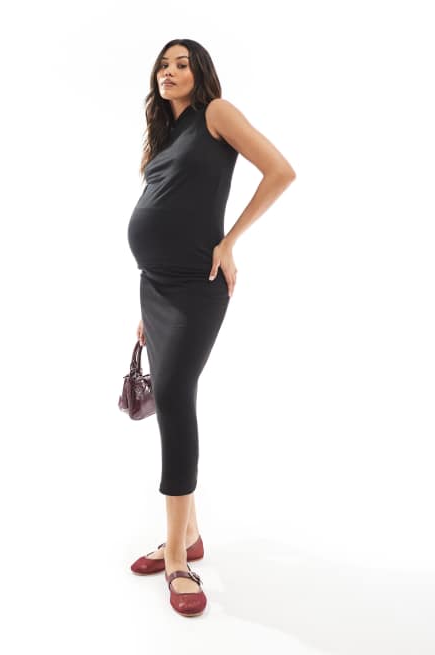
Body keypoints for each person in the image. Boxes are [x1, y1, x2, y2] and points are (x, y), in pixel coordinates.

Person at [127, 38, 296, 617]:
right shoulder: (165, 134)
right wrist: (144, 311)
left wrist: (229, 241)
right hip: (154, 288)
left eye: (182, 64)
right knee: (173, 399)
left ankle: (178, 558)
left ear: (200, 73)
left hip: (197, 285)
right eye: (163, 64)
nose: (169, 71)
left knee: (175, 398)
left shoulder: (216, 114)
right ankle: (190, 535)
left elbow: (280, 171)